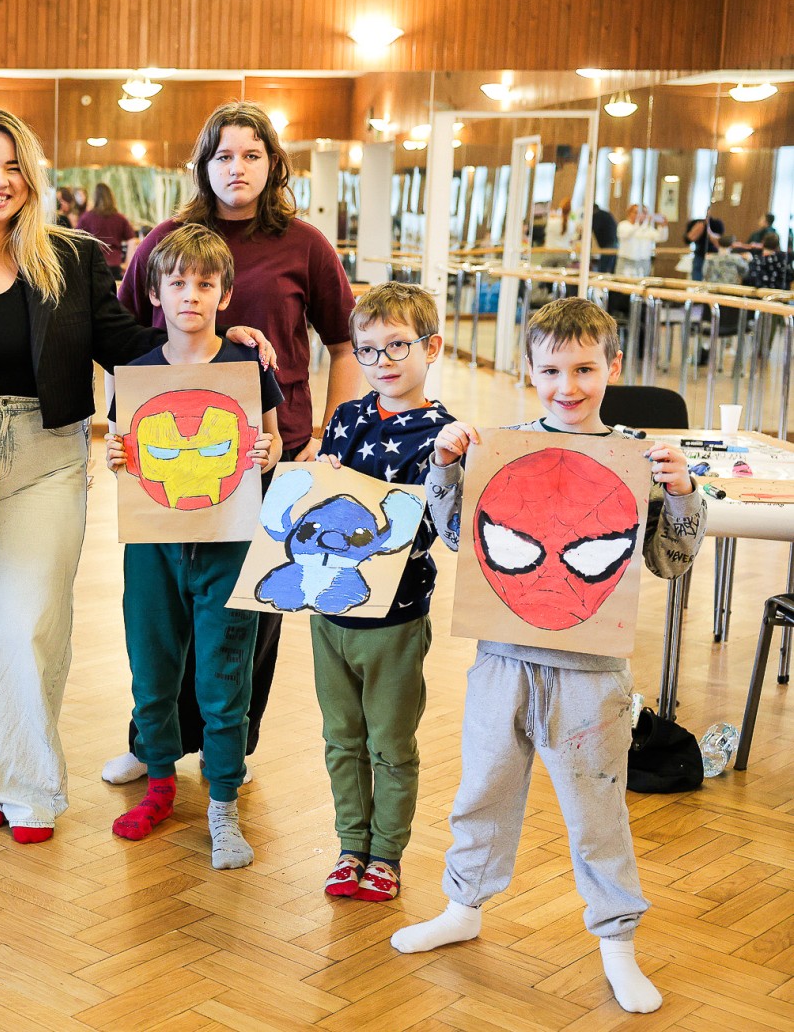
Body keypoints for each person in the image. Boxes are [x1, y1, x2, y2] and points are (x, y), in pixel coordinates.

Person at [0, 108, 268, 843]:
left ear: (32, 176)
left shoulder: (72, 256)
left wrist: (216, 345)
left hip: (47, 451)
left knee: (29, 621)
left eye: (12, 167)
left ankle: (28, 789)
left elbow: (129, 345)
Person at [392, 298, 704, 1015]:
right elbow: (455, 538)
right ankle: (463, 906)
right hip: (502, 659)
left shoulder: (640, 459)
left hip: (592, 675)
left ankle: (618, 942)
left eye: (586, 368)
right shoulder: (503, 449)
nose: (570, 385)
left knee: (597, 810)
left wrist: (682, 490)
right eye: (553, 369)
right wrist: (446, 467)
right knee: (483, 791)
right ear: (529, 371)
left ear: (612, 368)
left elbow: (668, 561)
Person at [103, 100, 360, 786]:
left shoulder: (306, 244)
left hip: (273, 456)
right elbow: (126, 338)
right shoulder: (168, 239)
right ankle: (153, 740)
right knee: (164, 613)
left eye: (251, 154)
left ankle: (230, 748)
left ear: (273, 164)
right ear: (204, 165)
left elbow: (346, 342)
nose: (236, 167)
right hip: (172, 457)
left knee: (250, 617)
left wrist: (328, 435)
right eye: (223, 154)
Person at [106, 224, 280, 870]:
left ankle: (223, 803)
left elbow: (271, 440)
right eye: (177, 282)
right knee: (151, 668)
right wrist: (115, 454)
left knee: (224, 675)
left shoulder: (245, 366)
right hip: (153, 546)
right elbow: (125, 453)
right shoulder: (136, 374)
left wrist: (269, 451)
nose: (191, 295)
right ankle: (158, 785)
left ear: (225, 295)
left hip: (229, 542)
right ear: (155, 291)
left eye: (205, 284)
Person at [311, 282, 455, 902]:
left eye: (398, 345)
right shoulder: (345, 418)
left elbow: (442, 524)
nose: (383, 361)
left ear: (432, 347)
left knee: (390, 742)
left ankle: (387, 854)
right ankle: (350, 845)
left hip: (396, 616)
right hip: (329, 605)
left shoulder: (445, 435)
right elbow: (314, 501)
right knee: (341, 737)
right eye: (367, 350)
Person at [77, 182, 136, 278]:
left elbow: (77, 240)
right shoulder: (120, 218)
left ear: (95, 198)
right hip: (115, 264)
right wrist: (128, 262)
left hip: (94, 265)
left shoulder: (86, 218)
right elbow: (132, 240)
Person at [615, 204, 666, 278]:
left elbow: (661, 238)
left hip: (643, 261)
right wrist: (638, 223)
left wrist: (663, 226)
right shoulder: (623, 225)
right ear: (629, 213)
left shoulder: (647, 228)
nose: (640, 215)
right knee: (623, 284)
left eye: (644, 213)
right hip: (626, 261)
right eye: (636, 212)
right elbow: (626, 234)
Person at [685, 212, 723, 281]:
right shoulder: (695, 223)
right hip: (699, 255)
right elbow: (687, 240)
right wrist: (698, 229)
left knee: (713, 278)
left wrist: (709, 231)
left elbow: (719, 241)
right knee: (697, 278)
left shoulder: (717, 223)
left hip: (713, 256)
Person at [590, 203, 619, 273]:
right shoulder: (605, 214)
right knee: (611, 268)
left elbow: (593, 228)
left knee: (603, 269)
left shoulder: (596, 216)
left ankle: (600, 283)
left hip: (608, 245)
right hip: (615, 243)